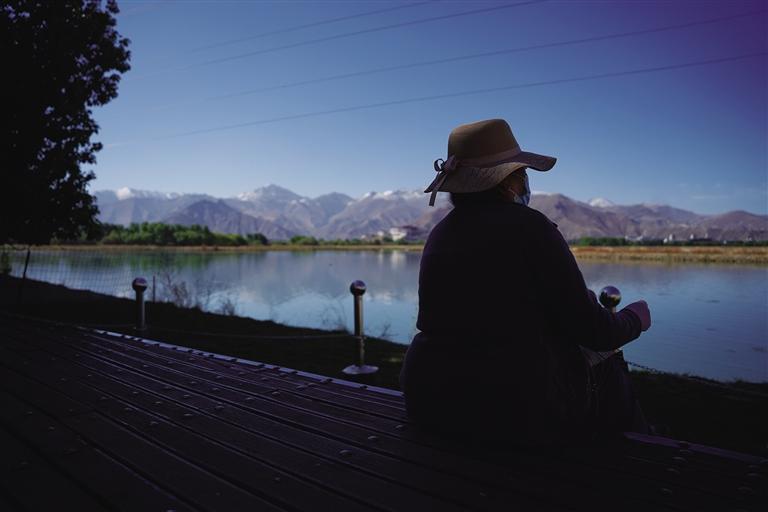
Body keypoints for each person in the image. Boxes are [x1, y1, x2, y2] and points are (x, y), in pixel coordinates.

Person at [399, 119, 652, 446]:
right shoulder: (531, 227)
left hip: (431, 401)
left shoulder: (441, 233)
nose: (525, 182)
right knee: (606, 366)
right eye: (522, 173)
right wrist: (634, 319)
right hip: (511, 412)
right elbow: (594, 330)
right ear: (508, 182)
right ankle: (640, 455)